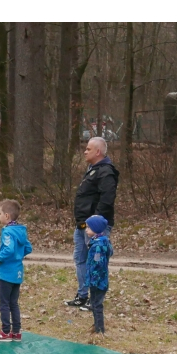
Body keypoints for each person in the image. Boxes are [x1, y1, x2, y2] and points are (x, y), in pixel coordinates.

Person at [66, 137, 118, 310]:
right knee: (80, 258)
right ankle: (83, 295)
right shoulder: (92, 170)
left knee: (96, 263)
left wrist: (95, 224)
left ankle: (96, 300)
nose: (85, 151)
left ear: (98, 152)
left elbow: (107, 199)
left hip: (95, 227)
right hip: (82, 224)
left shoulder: (106, 172)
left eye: (88, 149)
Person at [0, 199, 32, 342]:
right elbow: (28, 248)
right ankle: (16, 331)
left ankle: (6, 332)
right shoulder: (21, 231)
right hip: (18, 272)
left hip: (7, 272)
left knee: (4, 302)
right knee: (14, 302)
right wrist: (19, 256)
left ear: (7, 216)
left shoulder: (7, 232)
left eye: (0, 213)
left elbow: (8, 249)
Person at [85, 214, 113, 337]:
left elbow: (97, 265)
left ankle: (100, 329)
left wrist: (93, 281)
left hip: (98, 282)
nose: (86, 230)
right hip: (99, 280)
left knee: (96, 305)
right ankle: (96, 325)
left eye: (88, 227)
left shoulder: (98, 247)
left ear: (95, 229)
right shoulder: (100, 242)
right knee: (95, 303)